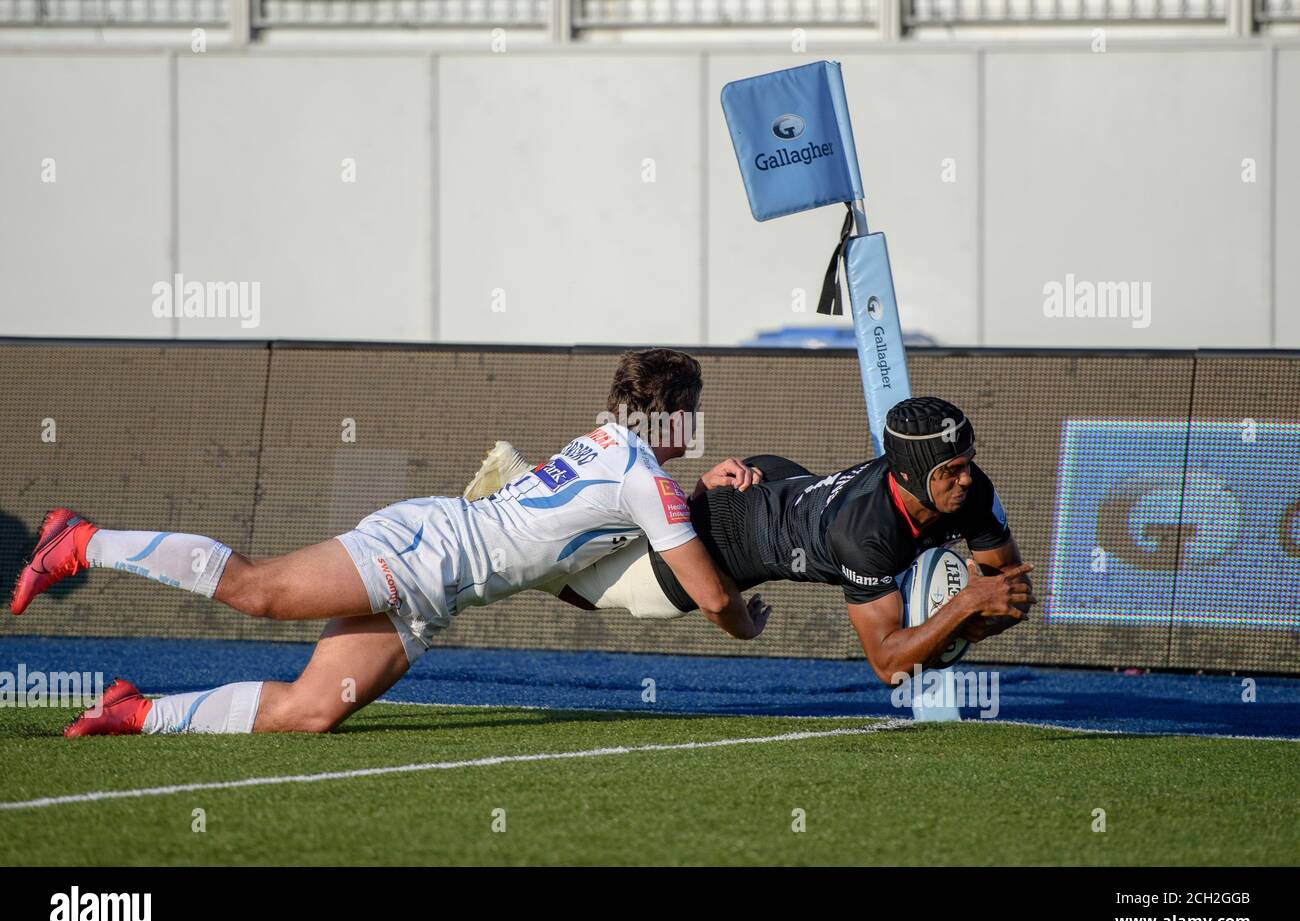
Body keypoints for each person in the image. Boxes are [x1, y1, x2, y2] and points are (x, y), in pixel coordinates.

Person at [12, 348, 770, 736]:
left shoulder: (608, 444)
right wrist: (748, 621)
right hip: (421, 552)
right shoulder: (641, 472)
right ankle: (83, 541)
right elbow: (709, 596)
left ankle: (136, 713)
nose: (694, 433)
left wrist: (698, 493)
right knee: (259, 590)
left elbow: (596, 536)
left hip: (438, 591)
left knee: (311, 713)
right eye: (692, 417)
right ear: (677, 416)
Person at [465, 396, 1034, 685]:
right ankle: (502, 515)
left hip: (776, 485)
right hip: (727, 544)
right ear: (908, 472)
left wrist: (973, 618)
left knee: (606, 540)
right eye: (951, 470)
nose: (967, 479)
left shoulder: (972, 491)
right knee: (580, 586)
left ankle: (521, 495)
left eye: (968, 464)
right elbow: (888, 666)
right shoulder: (866, 534)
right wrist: (960, 606)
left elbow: (1011, 592)